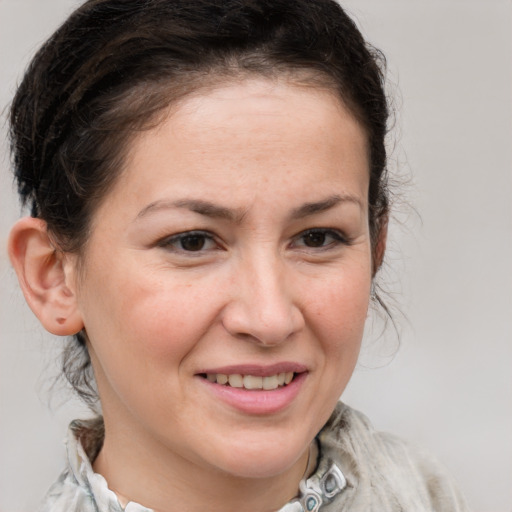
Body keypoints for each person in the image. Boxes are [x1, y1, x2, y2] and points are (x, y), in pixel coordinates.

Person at [7, 0, 469, 511]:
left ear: (375, 246)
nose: (269, 319)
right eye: (192, 241)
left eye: (317, 237)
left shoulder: (428, 496)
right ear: (54, 277)